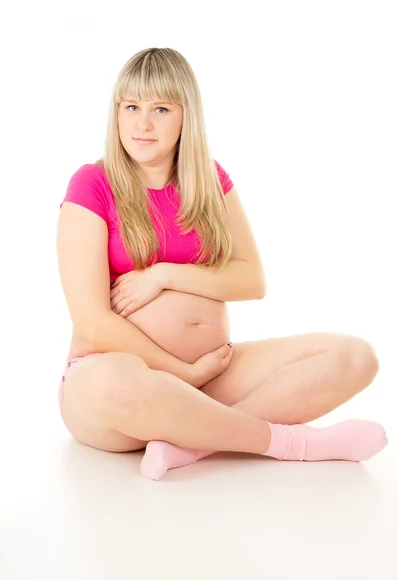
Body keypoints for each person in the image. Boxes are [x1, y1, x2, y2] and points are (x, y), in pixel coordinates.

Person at [56, 47, 388, 481]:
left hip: (210, 379)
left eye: (160, 108)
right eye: (131, 106)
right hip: (117, 381)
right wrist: (182, 372)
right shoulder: (92, 184)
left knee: (353, 356)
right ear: (116, 113)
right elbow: (93, 321)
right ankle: (297, 444)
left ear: (185, 116)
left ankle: (190, 445)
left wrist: (163, 276)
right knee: (113, 382)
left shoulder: (209, 180)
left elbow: (251, 278)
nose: (142, 123)